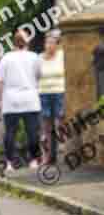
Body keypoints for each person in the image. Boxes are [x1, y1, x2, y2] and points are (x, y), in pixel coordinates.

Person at [0, 28, 42, 175]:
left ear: (13, 43)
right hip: (30, 99)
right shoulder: (34, 57)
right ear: (27, 42)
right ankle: (33, 160)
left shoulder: (6, 58)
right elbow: (39, 76)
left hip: (11, 101)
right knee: (32, 132)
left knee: (10, 132)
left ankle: (10, 163)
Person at [39, 31, 65, 165]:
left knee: (59, 122)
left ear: (57, 45)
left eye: (52, 43)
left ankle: (62, 150)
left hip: (59, 92)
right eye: (47, 43)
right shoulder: (39, 59)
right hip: (43, 94)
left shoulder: (62, 56)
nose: (49, 45)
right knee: (46, 127)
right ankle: (48, 156)